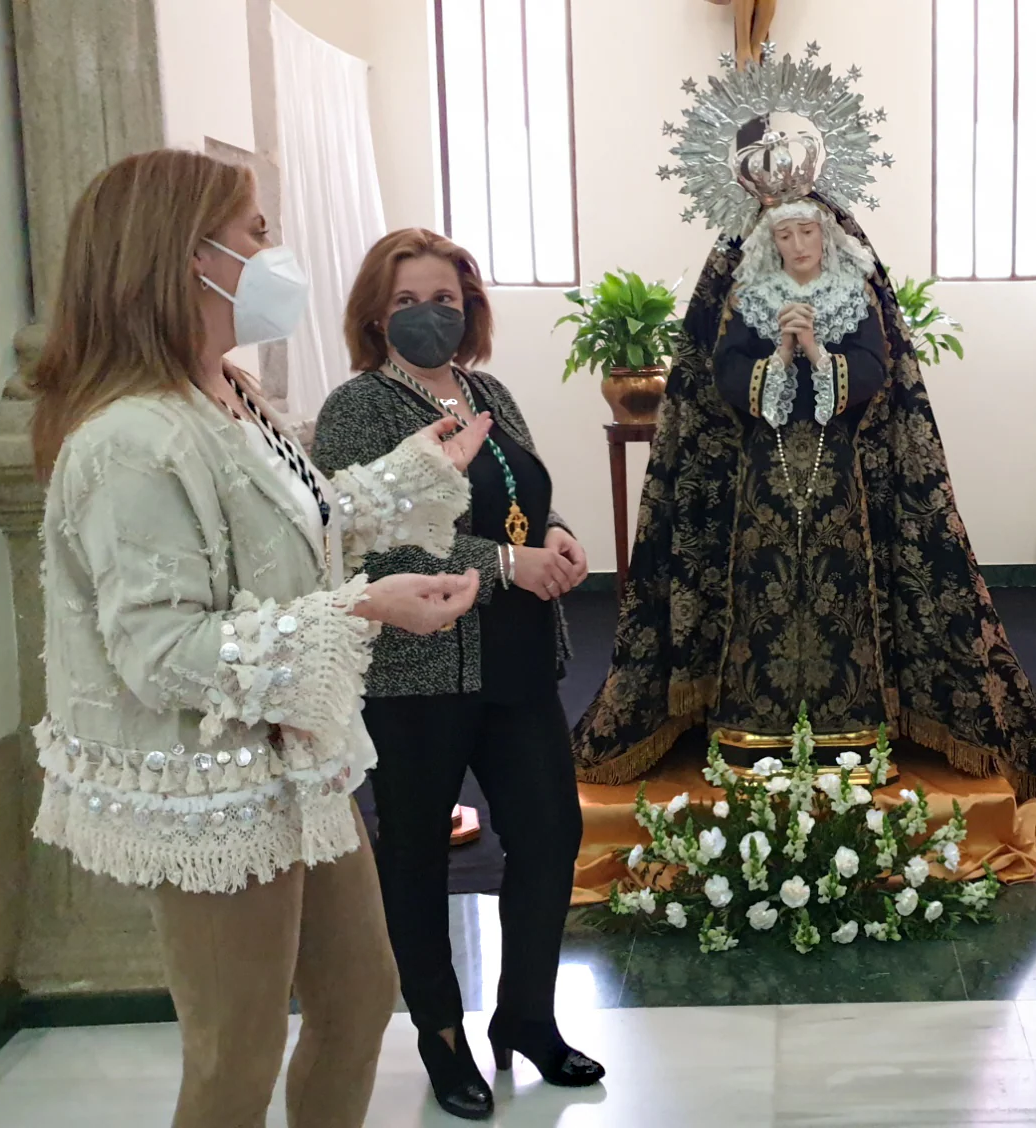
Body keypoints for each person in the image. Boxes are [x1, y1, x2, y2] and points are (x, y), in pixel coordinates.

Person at [27, 149, 488, 1128]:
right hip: (214, 785)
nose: (274, 252)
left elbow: (295, 525)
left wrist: (413, 471)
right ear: (185, 260)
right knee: (235, 1052)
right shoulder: (127, 441)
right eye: (256, 233)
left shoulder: (226, 392)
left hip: (293, 765)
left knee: (361, 995)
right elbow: (161, 654)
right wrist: (365, 609)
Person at [576, 120, 1036, 801]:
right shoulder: (750, 301)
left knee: (842, 596)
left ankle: (853, 731)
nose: (797, 245)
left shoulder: (852, 297)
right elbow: (721, 374)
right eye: (784, 235)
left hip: (842, 480)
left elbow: (874, 371)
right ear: (769, 242)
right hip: (763, 479)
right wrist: (775, 356)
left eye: (807, 233)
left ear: (825, 236)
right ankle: (751, 731)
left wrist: (819, 358)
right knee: (763, 592)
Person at [311, 228, 600, 1121]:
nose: (429, 315)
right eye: (406, 302)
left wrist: (555, 538)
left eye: (444, 298)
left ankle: (528, 1018)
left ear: (468, 307)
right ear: (375, 313)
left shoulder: (490, 391)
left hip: (516, 662)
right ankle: (440, 1033)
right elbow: (376, 537)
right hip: (416, 670)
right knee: (414, 853)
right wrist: (507, 565)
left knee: (550, 836)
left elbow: (524, 496)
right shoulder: (358, 407)